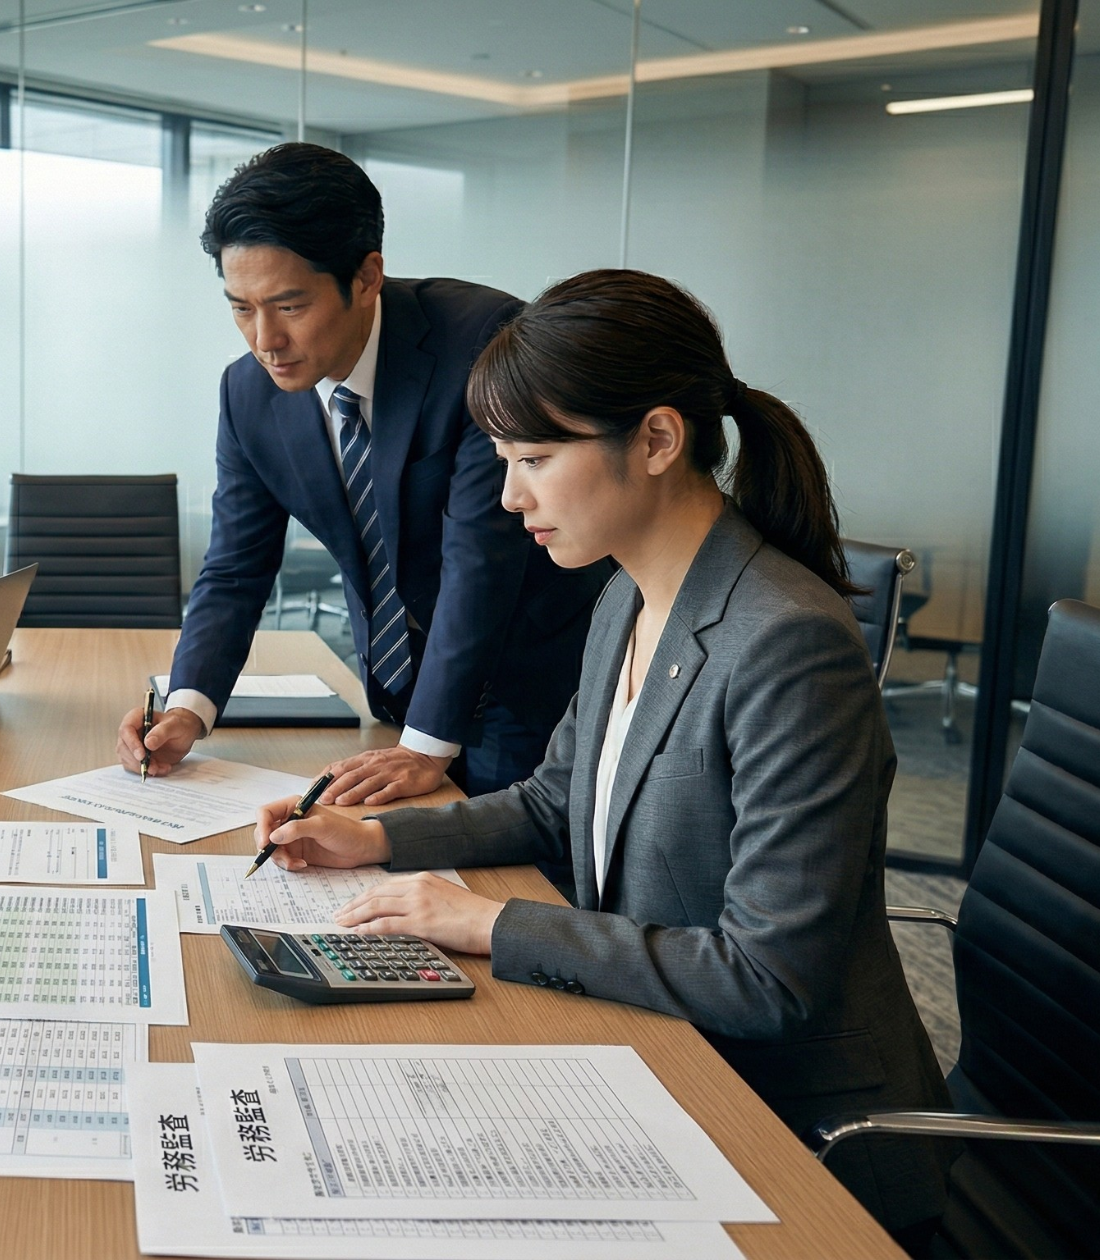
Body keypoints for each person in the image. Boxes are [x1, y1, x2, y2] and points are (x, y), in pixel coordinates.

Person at [250, 269, 950, 1237]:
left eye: (534, 458)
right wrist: (373, 838)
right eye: (503, 459)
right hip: (659, 1051)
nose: (509, 495)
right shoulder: (625, 593)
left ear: (657, 440)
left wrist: (490, 924)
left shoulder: (786, 642)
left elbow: (768, 978)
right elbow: (553, 802)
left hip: (799, 1136)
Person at [120, 143, 607, 805]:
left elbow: (480, 559)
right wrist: (186, 708)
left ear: (367, 276)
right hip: (397, 692)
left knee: (513, 860)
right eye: (241, 308)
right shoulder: (248, 394)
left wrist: (425, 747)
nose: (265, 340)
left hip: (528, 684)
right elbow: (235, 568)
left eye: (290, 306)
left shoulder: (480, 344)